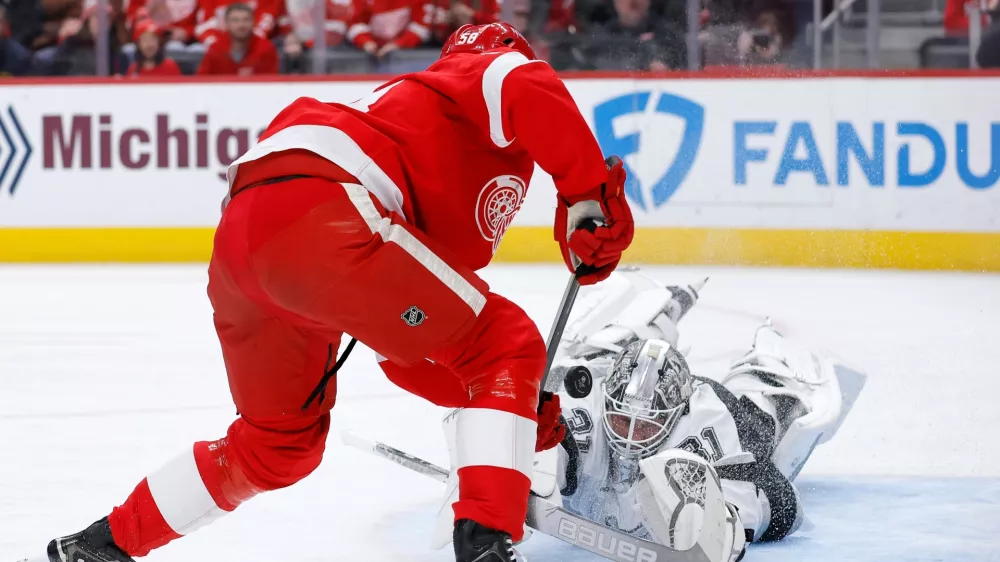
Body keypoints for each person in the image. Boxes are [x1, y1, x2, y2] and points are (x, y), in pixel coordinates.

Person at [25, 21, 633, 562]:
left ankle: (102, 544)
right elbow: (523, 81)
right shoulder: (475, 75)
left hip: (245, 241)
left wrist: (515, 405)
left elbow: (407, 353)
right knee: (505, 342)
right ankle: (486, 546)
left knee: (276, 445)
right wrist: (589, 195)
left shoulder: (410, 122)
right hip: (327, 211)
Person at [536, 269, 865, 561]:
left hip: (719, 409)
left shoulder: (707, 425)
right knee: (590, 354)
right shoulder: (584, 403)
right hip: (605, 368)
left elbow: (779, 500)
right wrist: (528, 457)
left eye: (646, 426)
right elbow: (543, 424)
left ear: (676, 416)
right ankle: (652, 317)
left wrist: (728, 519)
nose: (630, 437)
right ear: (606, 402)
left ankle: (768, 366)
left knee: (764, 425)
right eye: (622, 420)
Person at [196, 2, 278, 74]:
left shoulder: (265, 48)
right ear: (226, 23)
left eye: (246, 20)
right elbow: (201, 80)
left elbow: (272, 81)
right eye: (235, 20)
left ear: (254, 22)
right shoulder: (216, 48)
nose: (241, 25)